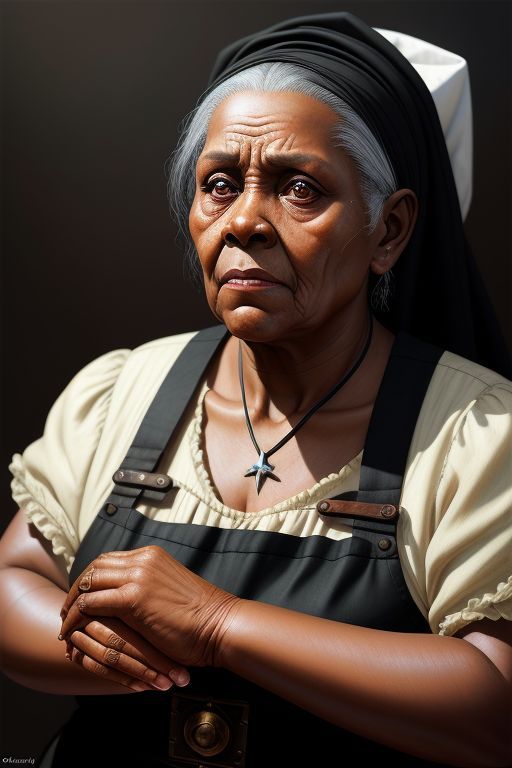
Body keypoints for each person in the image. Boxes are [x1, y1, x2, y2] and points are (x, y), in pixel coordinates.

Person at [1, 11, 511, 768]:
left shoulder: (475, 433)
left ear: (389, 230)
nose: (244, 220)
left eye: (299, 188)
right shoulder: (124, 390)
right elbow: (16, 580)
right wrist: (144, 649)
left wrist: (216, 624)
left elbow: (495, 707)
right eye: (218, 185)